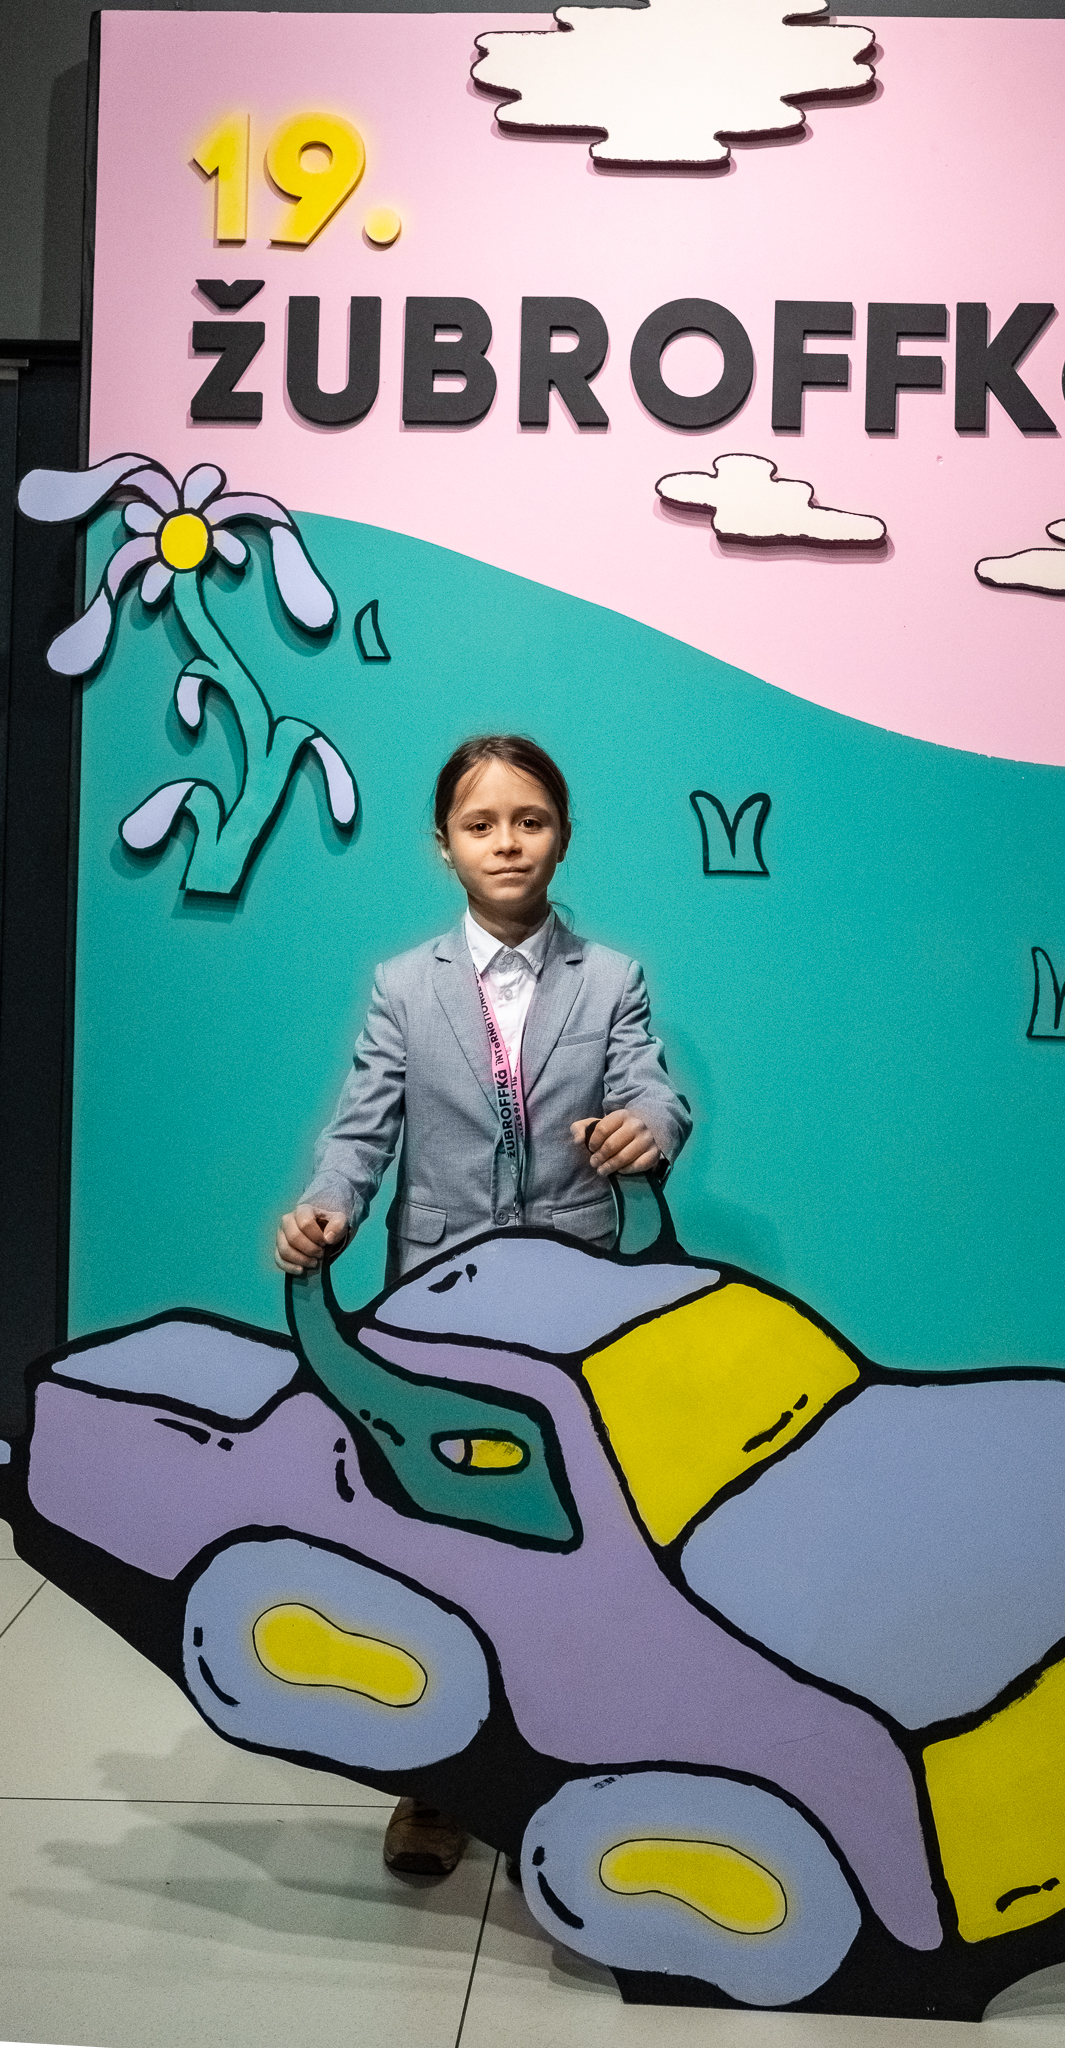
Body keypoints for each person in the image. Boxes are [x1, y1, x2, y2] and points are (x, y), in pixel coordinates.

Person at [274, 732, 692, 1875]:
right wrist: (327, 1205)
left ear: (563, 835)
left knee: (581, 1538)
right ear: (444, 845)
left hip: (574, 1310)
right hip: (438, 1307)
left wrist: (648, 1126)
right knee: (440, 1542)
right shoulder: (403, 986)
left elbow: (652, 1085)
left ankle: (576, 1760)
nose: (507, 842)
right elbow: (361, 1129)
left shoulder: (610, 979)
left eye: (530, 820)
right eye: (481, 824)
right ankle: (438, 1781)